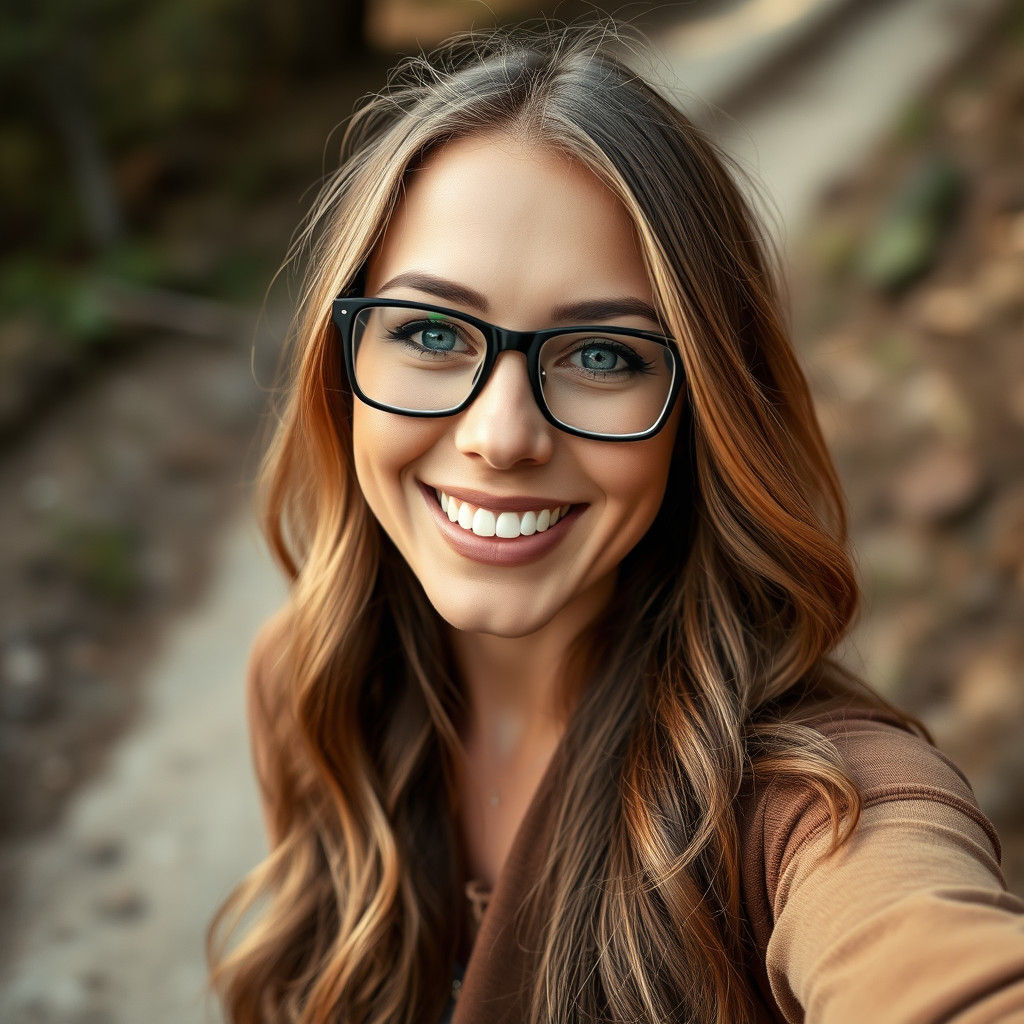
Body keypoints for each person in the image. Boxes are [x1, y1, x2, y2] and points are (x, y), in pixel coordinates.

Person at [205, 18, 1024, 1024]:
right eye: (428, 331)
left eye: (601, 355)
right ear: (344, 373)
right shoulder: (308, 682)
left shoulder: (805, 802)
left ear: (704, 407)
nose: (499, 436)